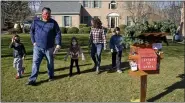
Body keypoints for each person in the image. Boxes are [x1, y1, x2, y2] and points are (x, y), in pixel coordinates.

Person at [27, 7, 62, 85]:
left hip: (49, 47)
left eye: (49, 13)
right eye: (46, 13)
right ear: (42, 13)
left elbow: (58, 33)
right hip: (37, 47)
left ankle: (51, 76)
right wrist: (33, 42)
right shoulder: (36, 22)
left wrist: (58, 44)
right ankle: (32, 79)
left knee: (50, 63)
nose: (48, 15)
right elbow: (31, 32)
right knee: (35, 63)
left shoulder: (53, 23)